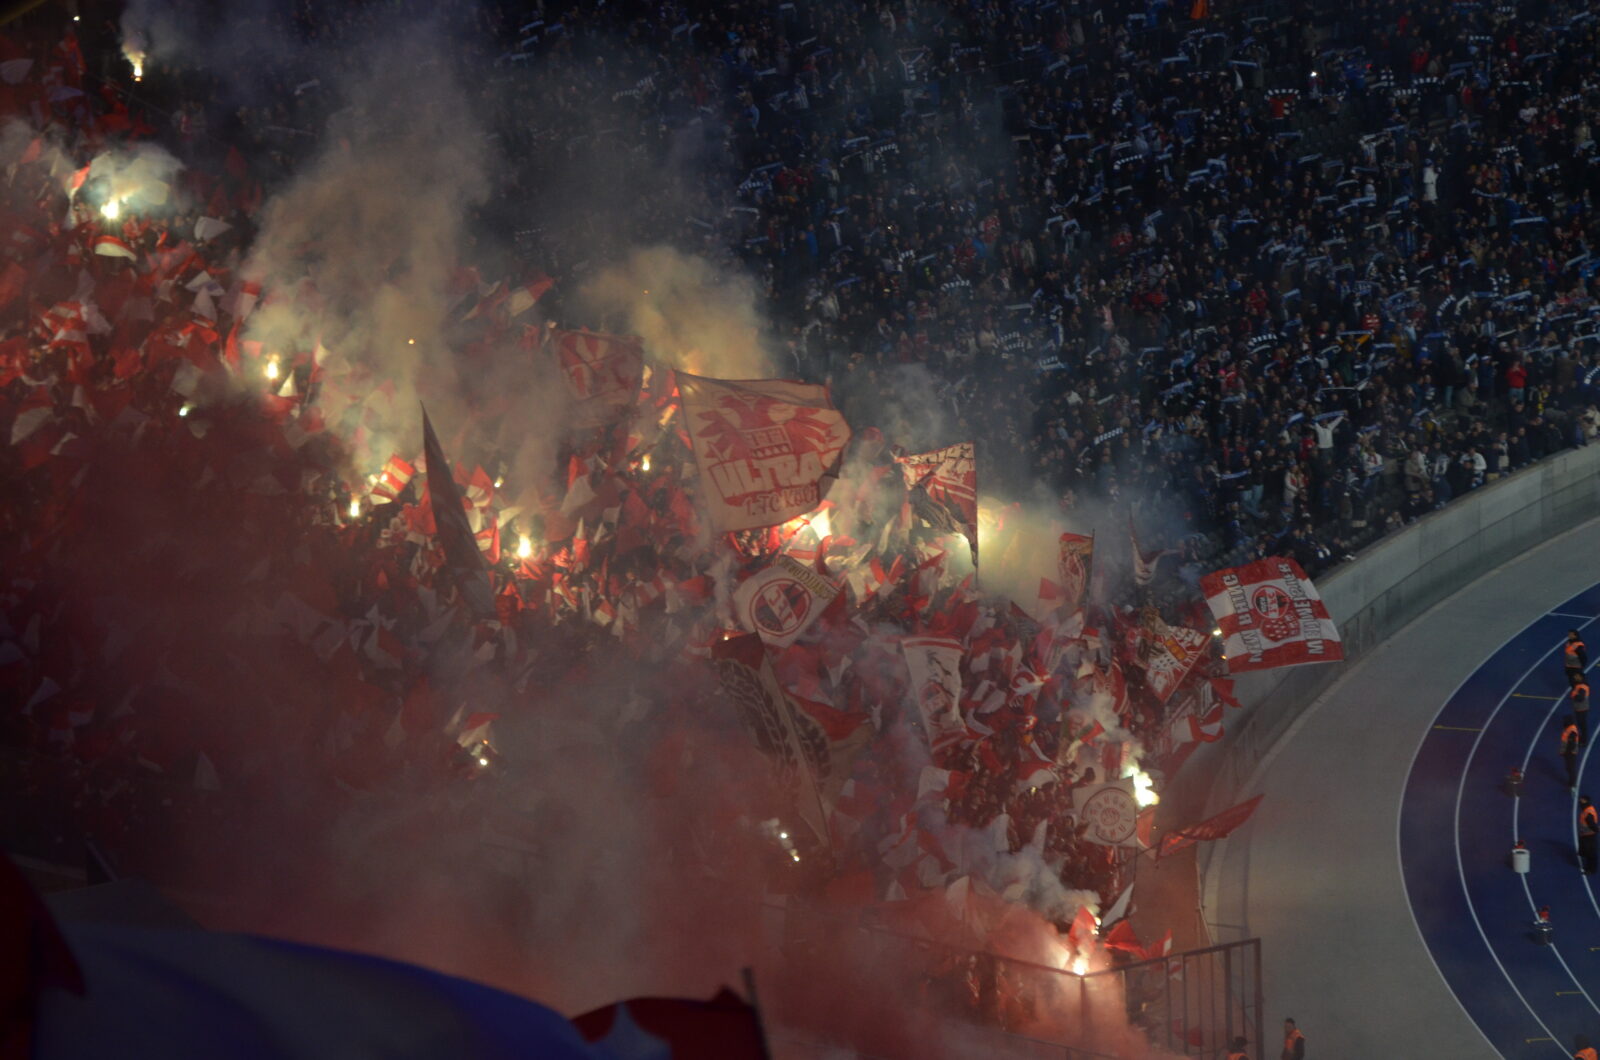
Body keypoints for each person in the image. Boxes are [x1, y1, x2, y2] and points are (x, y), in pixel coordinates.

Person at [1563, 717, 1583, 791]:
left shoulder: (1572, 731)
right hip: (1569, 752)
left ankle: (1572, 784)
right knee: (1569, 768)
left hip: (1570, 753)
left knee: (1570, 768)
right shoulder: (1572, 728)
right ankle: (1572, 782)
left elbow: (1572, 743)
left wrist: (1566, 751)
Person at [1580, 796, 1598, 876]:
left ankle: (1591, 869)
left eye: (1582, 800)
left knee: (1590, 853)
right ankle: (1582, 853)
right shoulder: (1588, 809)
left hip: (1589, 835)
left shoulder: (1588, 813)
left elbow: (1591, 824)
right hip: (1585, 834)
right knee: (1586, 850)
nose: (1580, 802)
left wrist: (1597, 830)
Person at [1575, 677, 1592, 745]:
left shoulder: (1582, 688)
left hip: (1581, 709)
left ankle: (1584, 741)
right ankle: (1583, 739)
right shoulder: (1582, 686)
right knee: (1582, 724)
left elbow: (1580, 698)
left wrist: (1575, 696)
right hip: (1582, 708)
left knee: (1582, 724)